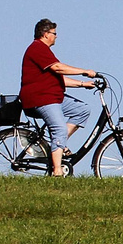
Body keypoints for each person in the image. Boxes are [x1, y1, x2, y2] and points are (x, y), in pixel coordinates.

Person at [20, 19, 98, 176]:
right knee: (59, 129)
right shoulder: (37, 48)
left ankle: (58, 144)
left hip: (53, 97)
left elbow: (59, 78)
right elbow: (58, 67)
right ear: (45, 34)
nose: (56, 37)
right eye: (54, 33)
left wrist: (84, 84)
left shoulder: (45, 51)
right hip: (41, 99)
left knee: (82, 110)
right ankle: (57, 171)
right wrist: (84, 71)